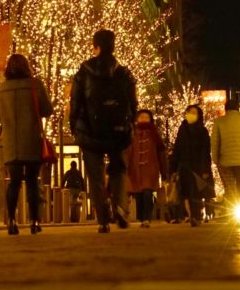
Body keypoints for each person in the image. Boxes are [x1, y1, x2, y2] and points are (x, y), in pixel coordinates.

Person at [70, 29, 138, 234]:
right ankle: (119, 206)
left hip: (90, 132)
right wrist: (130, 124)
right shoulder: (124, 73)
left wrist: (74, 125)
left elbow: (75, 103)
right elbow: (133, 104)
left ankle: (102, 220)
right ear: (114, 46)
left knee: (96, 176)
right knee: (118, 170)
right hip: (118, 131)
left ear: (96, 46)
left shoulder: (84, 72)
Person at [0, 54, 53, 235]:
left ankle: (11, 220)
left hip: (11, 142)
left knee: (13, 182)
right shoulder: (35, 85)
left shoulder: (2, 88)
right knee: (31, 182)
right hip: (31, 140)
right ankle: (35, 221)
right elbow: (47, 110)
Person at [169, 104, 211, 226]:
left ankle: (196, 216)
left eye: (194, 112)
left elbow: (205, 151)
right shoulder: (182, 130)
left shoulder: (202, 131)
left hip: (197, 167)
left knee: (195, 192)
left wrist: (205, 169)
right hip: (184, 166)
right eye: (189, 112)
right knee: (185, 192)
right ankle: (189, 216)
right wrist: (173, 167)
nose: (191, 115)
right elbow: (177, 149)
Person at [125, 109, 168, 227]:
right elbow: (127, 151)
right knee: (138, 194)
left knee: (148, 193)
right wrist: (125, 166)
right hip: (135, 169)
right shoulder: (131, 134)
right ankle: (141, 217)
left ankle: (146, 218)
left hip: (150, 169)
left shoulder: (155, 134)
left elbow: (161, 152)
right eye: (141, 117)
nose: (143, 119)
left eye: (146, 117)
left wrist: (164, 170)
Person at [210, 98, 240, 205]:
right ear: (238, 108)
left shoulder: (218, 122)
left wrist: (216, 160)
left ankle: (231, 212)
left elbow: (215, 143)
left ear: (226, 109)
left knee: (230, 189)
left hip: (225, 162)